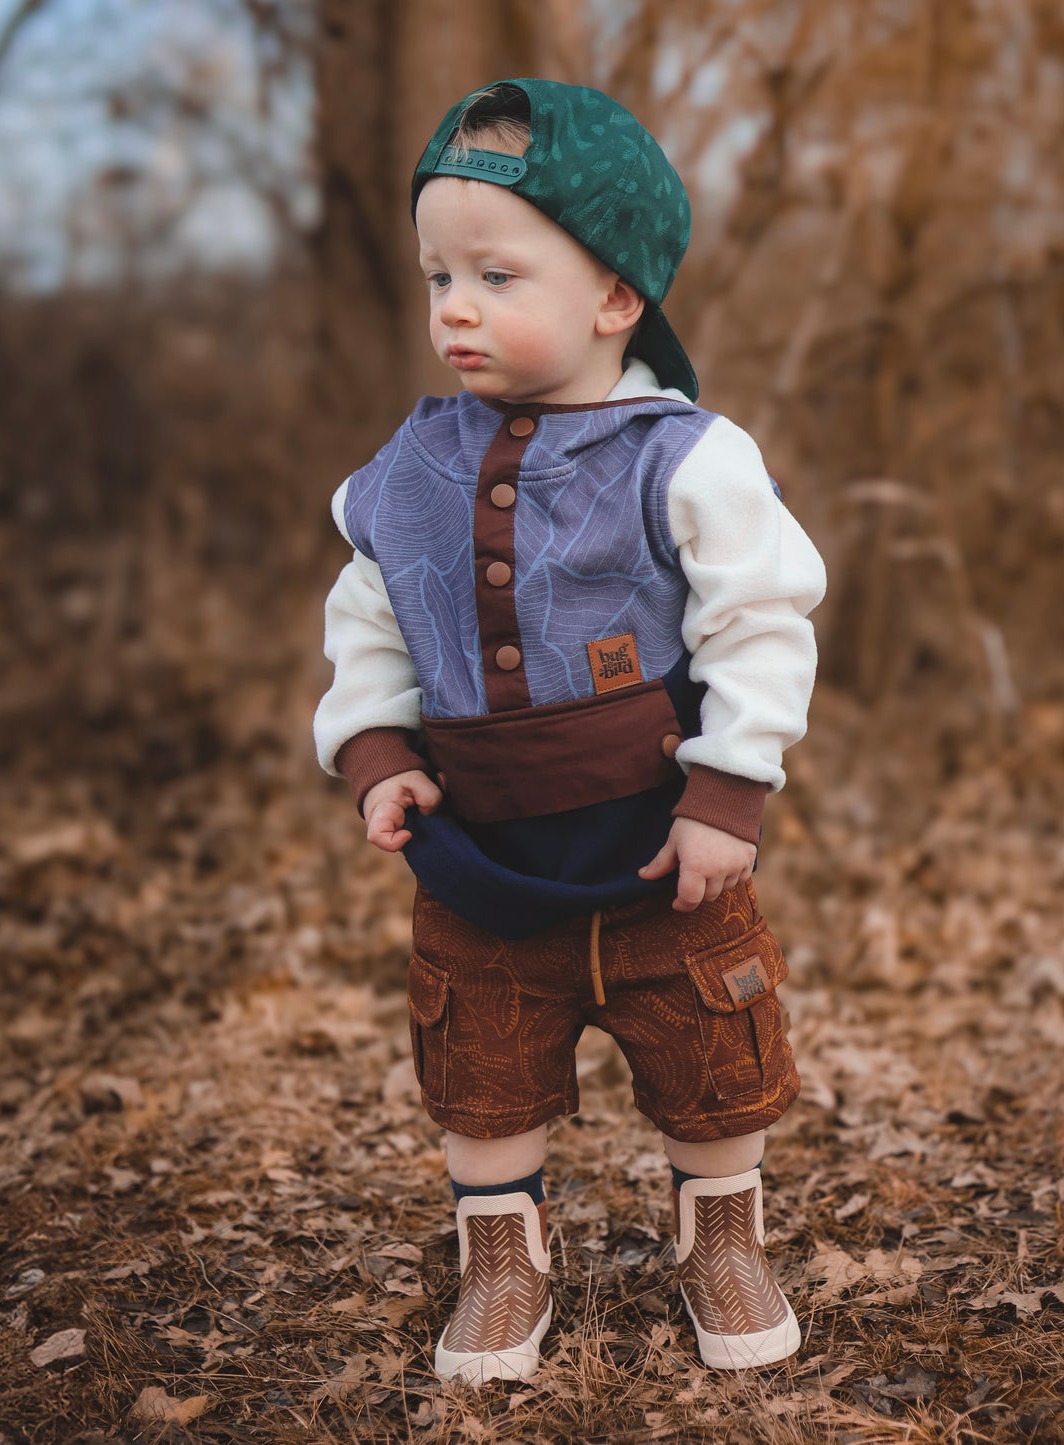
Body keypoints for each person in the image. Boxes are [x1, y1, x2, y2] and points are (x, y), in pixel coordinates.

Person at [313, 78, 826, 1384]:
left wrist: (727, 793)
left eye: (496, 271)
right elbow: (367, 612)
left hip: (663, 846)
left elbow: (761, 623)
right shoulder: (409, 467)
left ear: (613, 297)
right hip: (480, 854)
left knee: (711, 1058)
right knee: (479, 1060)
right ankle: (502, 1257)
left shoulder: (685, 456)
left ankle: (720, 1234)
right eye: (438, 274)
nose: (455, 308)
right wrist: (375, 748)